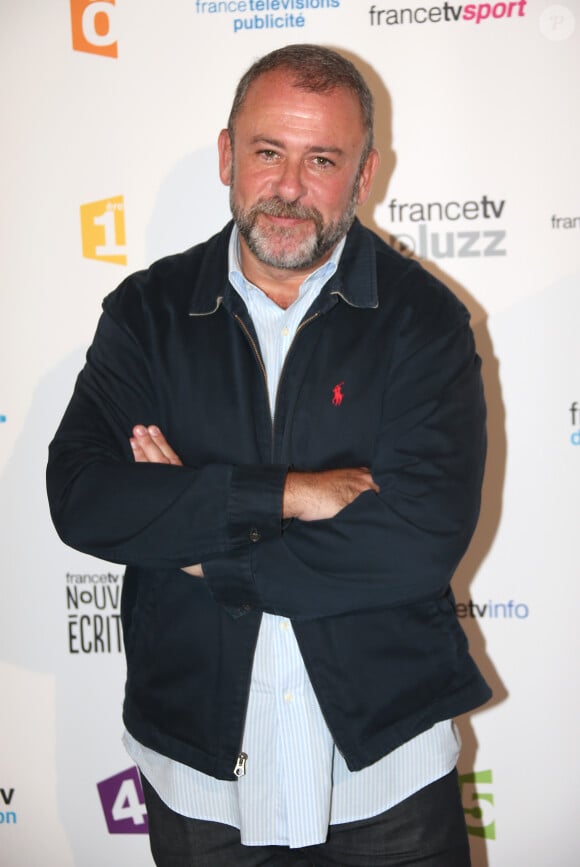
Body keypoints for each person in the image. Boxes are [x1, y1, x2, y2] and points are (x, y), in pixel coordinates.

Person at [47, 44, 490, 866]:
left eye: (322, 160)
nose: (288, 187)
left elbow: (417, 540)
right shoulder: (148, 312)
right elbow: (83, 497)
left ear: (364, 175)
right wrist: (285, 494)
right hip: (199, 773)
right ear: (227, 155)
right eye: (267, 152)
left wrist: (203, 547)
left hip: (385, 769)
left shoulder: (423, 322)